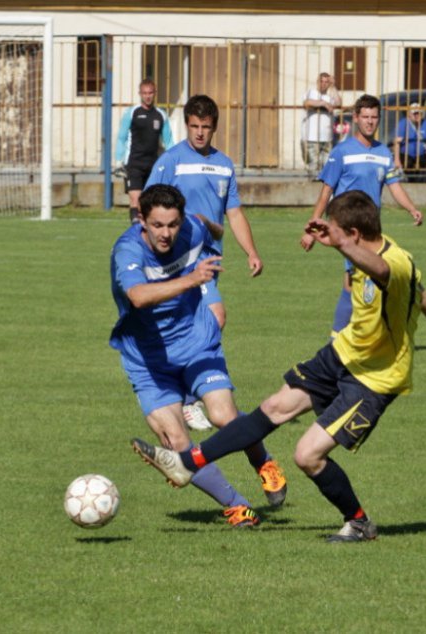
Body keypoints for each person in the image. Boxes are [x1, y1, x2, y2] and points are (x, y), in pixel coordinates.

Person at [132, 189, 426, 542]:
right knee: (274, 407)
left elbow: (386, 272)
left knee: (307, 455)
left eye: (337, 230)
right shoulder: (380, 255)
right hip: (343, 353)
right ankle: (187, 463)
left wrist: (340, 244)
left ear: (353, 235)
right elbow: (419, 291)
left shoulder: (392, 262)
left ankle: (358, 522)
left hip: (374, 378)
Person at [111, 184, 287, 525]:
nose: (166, 234)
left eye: (173, 224)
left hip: (196, 341)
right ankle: (237, 506)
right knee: (176, 441)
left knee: (223, 416)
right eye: (157, 225)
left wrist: (212, 228)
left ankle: (263, 461)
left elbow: (210, 226)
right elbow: (138, 297)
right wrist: (192, 279)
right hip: (147, 360)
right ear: (142, 220)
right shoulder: (128, 250)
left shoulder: (193, 226)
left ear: (182, 220)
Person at [146, 94, 264, 430]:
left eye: (206, 127)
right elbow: (148, 208)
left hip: (211, 261)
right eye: (194, 126)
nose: (199, 132)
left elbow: (234, 212)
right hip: (180, 262)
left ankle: (177, 393)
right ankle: (188, 398)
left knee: (190, 327)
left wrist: (251, 251)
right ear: (187, 125)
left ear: (214, 127)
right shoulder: (171, 161)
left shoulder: (224, 164)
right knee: (215, 316)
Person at [301, 93, 424, 337]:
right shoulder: (342, 152)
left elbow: (394, 186)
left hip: (372, 229)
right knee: (357, 279)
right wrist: (312, 229)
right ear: (356, 118)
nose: (369, 122)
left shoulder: (384, 153)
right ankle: (344, 336)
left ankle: (353, 334)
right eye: (365, 117)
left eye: (374, 117)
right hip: (348, 229)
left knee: (362, 279)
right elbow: (326, 192)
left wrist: (411, 208)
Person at [115, 79, 174, 223]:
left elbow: (168, 142)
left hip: (153, 165)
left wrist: (174, 161)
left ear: (155, 93)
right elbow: (121, 137)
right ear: (140, 94)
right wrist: (118, 160)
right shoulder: (132, 113)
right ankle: (136, 230)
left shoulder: (161, 115)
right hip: (134, 163)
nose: (148, 96)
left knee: (149, 204)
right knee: (135, 199)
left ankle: (147, 231)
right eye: (145, 93)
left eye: (150, 93)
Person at [302, 72, 341, 179]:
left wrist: (333, 86)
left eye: (326, 82)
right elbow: (307, 103)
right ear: (317, 82)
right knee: (314, 169)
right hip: (312, 138)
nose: (323, 84)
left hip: (327, 138)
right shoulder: (311, 92)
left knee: (327, 169)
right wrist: (323, 103)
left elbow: (338, 103)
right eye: (321, 81)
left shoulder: (330, 96)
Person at [393, 102, 426, 180]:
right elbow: (397, 142)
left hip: (421, 154)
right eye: (415, 113)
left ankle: (423, 184)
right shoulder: (403, 123)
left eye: (419, 113)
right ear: (409, 114)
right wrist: (396, 160)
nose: (417, 115)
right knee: (407, 163)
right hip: (406, 154)